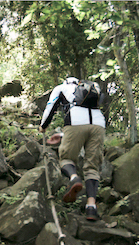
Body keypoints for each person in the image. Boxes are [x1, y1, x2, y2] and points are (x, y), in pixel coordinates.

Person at [39, 77, 105, 221]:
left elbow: (51, 106)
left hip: (75, 121)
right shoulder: (91, 90)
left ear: (66, 82)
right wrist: (63, 135)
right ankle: (91, 207)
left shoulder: (61, 88)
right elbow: (88, 122)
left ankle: (74, 178)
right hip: (99, 124)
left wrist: (43, 126)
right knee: (92, 167)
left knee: (66, 158)